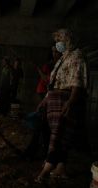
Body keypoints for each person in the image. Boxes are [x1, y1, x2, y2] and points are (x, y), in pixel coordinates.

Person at [35, 29, 88, 183]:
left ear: (68, 40)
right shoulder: (64, 57)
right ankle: (60, 168)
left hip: (65, 99)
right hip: (55, 99)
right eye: (57, 41)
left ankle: (47, 167)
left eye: (60, 40)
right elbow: (53, 83)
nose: (57, 44)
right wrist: (44, 101)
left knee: (58, 135)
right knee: (60, 135)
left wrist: (70, 102)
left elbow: (77, 81)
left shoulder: (76, 56)